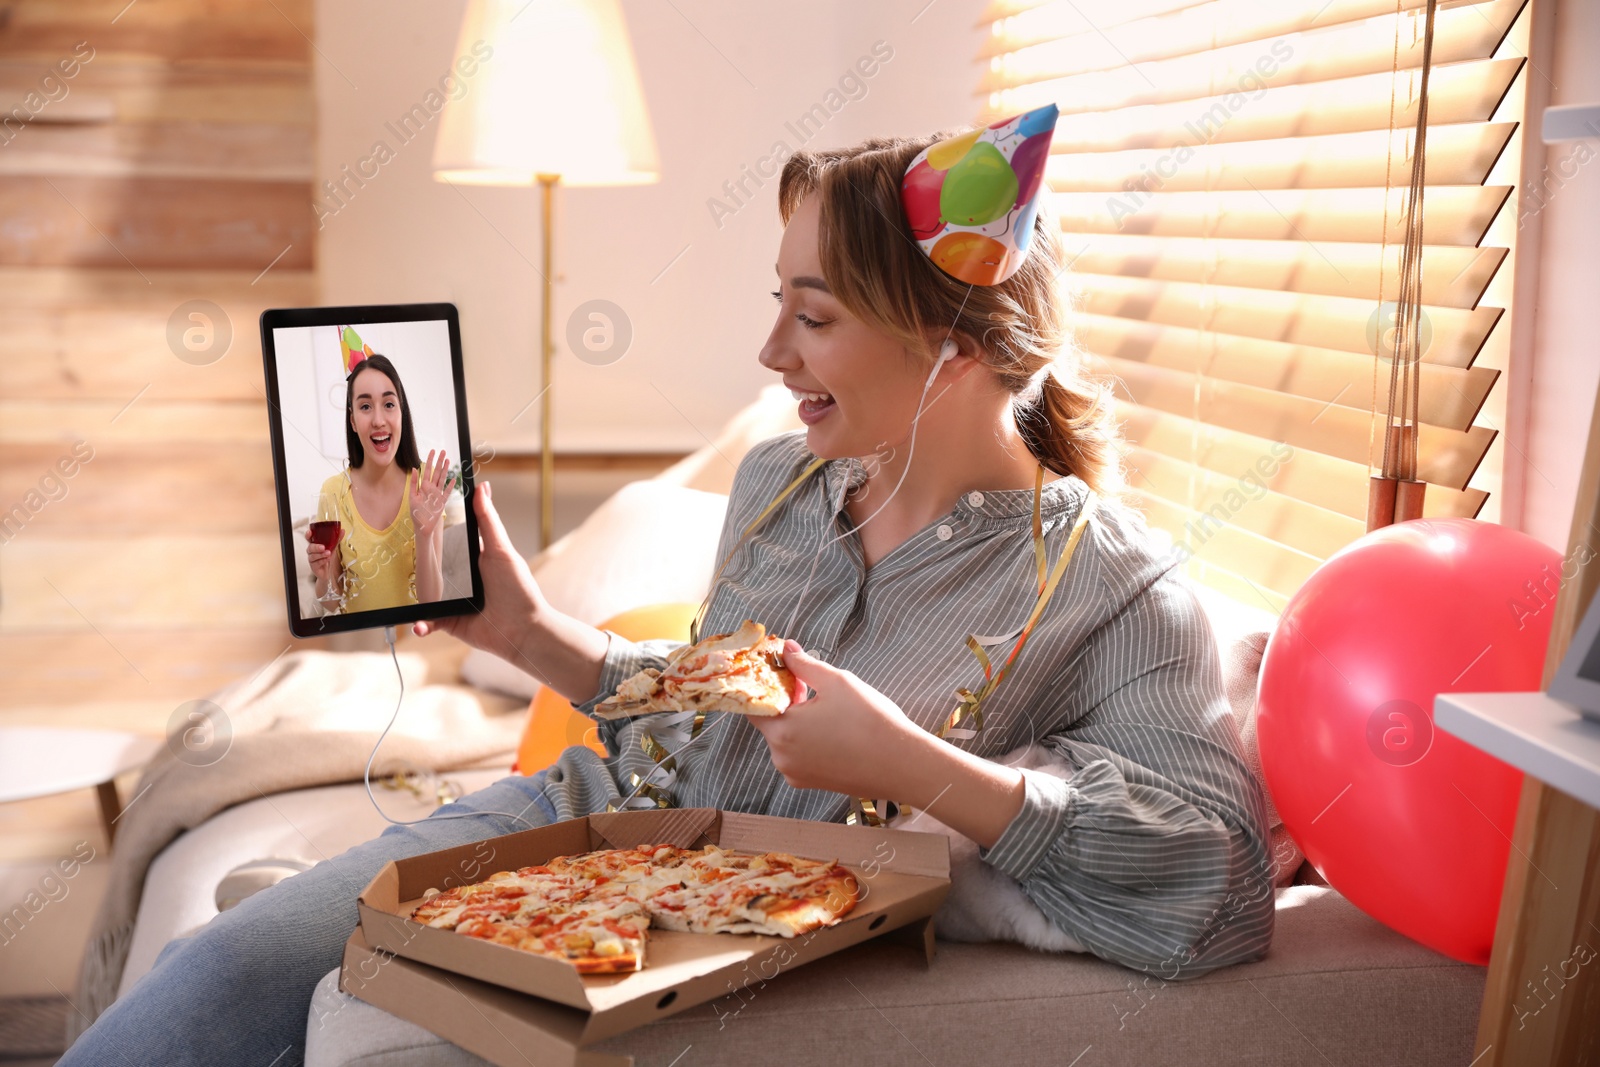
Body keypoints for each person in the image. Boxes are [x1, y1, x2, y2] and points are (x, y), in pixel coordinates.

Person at [60, 125, 1273, 1066]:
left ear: (951, 348)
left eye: (812, 315)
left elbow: (1220, 891)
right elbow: (699, 714)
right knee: (218, 978)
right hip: (570, 820)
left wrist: (910, 764)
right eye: (775, 303)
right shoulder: (780, 482)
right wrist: (533, 635)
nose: (771, 354)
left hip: (727, 908)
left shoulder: (1115, 585)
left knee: (361, 1022)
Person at [306, 354, 454, 613]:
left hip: (410, 639)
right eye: (365, 407)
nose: (378, 420)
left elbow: (431, 601)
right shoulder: (333, 492)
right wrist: (323, 574)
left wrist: (424, 533)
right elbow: (331, 603)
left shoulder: (425, 485)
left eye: (388, 404)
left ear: (401, 412)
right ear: (352, 421)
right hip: (358, 643)